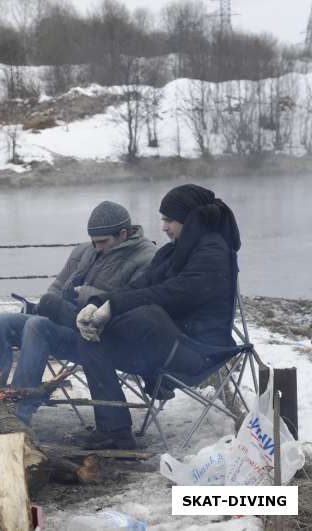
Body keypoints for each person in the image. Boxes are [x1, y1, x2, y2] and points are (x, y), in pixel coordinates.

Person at [70, 184, 241, 450]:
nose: (163, 227)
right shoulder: (173, 252)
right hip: (167, 342)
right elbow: (139, 286)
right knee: (91, 337)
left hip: (198, 350)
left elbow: (176, 294)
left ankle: (115, 431)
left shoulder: (213, 252)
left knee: (146, 315)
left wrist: (113, 307)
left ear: (189, 219)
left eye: (168, 219)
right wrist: (96, 304)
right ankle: (114, 430)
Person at [0, 201, 156, 422]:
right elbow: (56, 288)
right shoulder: (85, 250)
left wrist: (85, 294)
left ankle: (18, 415)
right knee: (4, 321)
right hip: (63, 322)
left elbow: (130, 303)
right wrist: (46, 306)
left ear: (123, 233)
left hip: (97, 337)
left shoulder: (146, 258)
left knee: (38, 326)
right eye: (93, 241)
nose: (97, 247)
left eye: (103, 242)